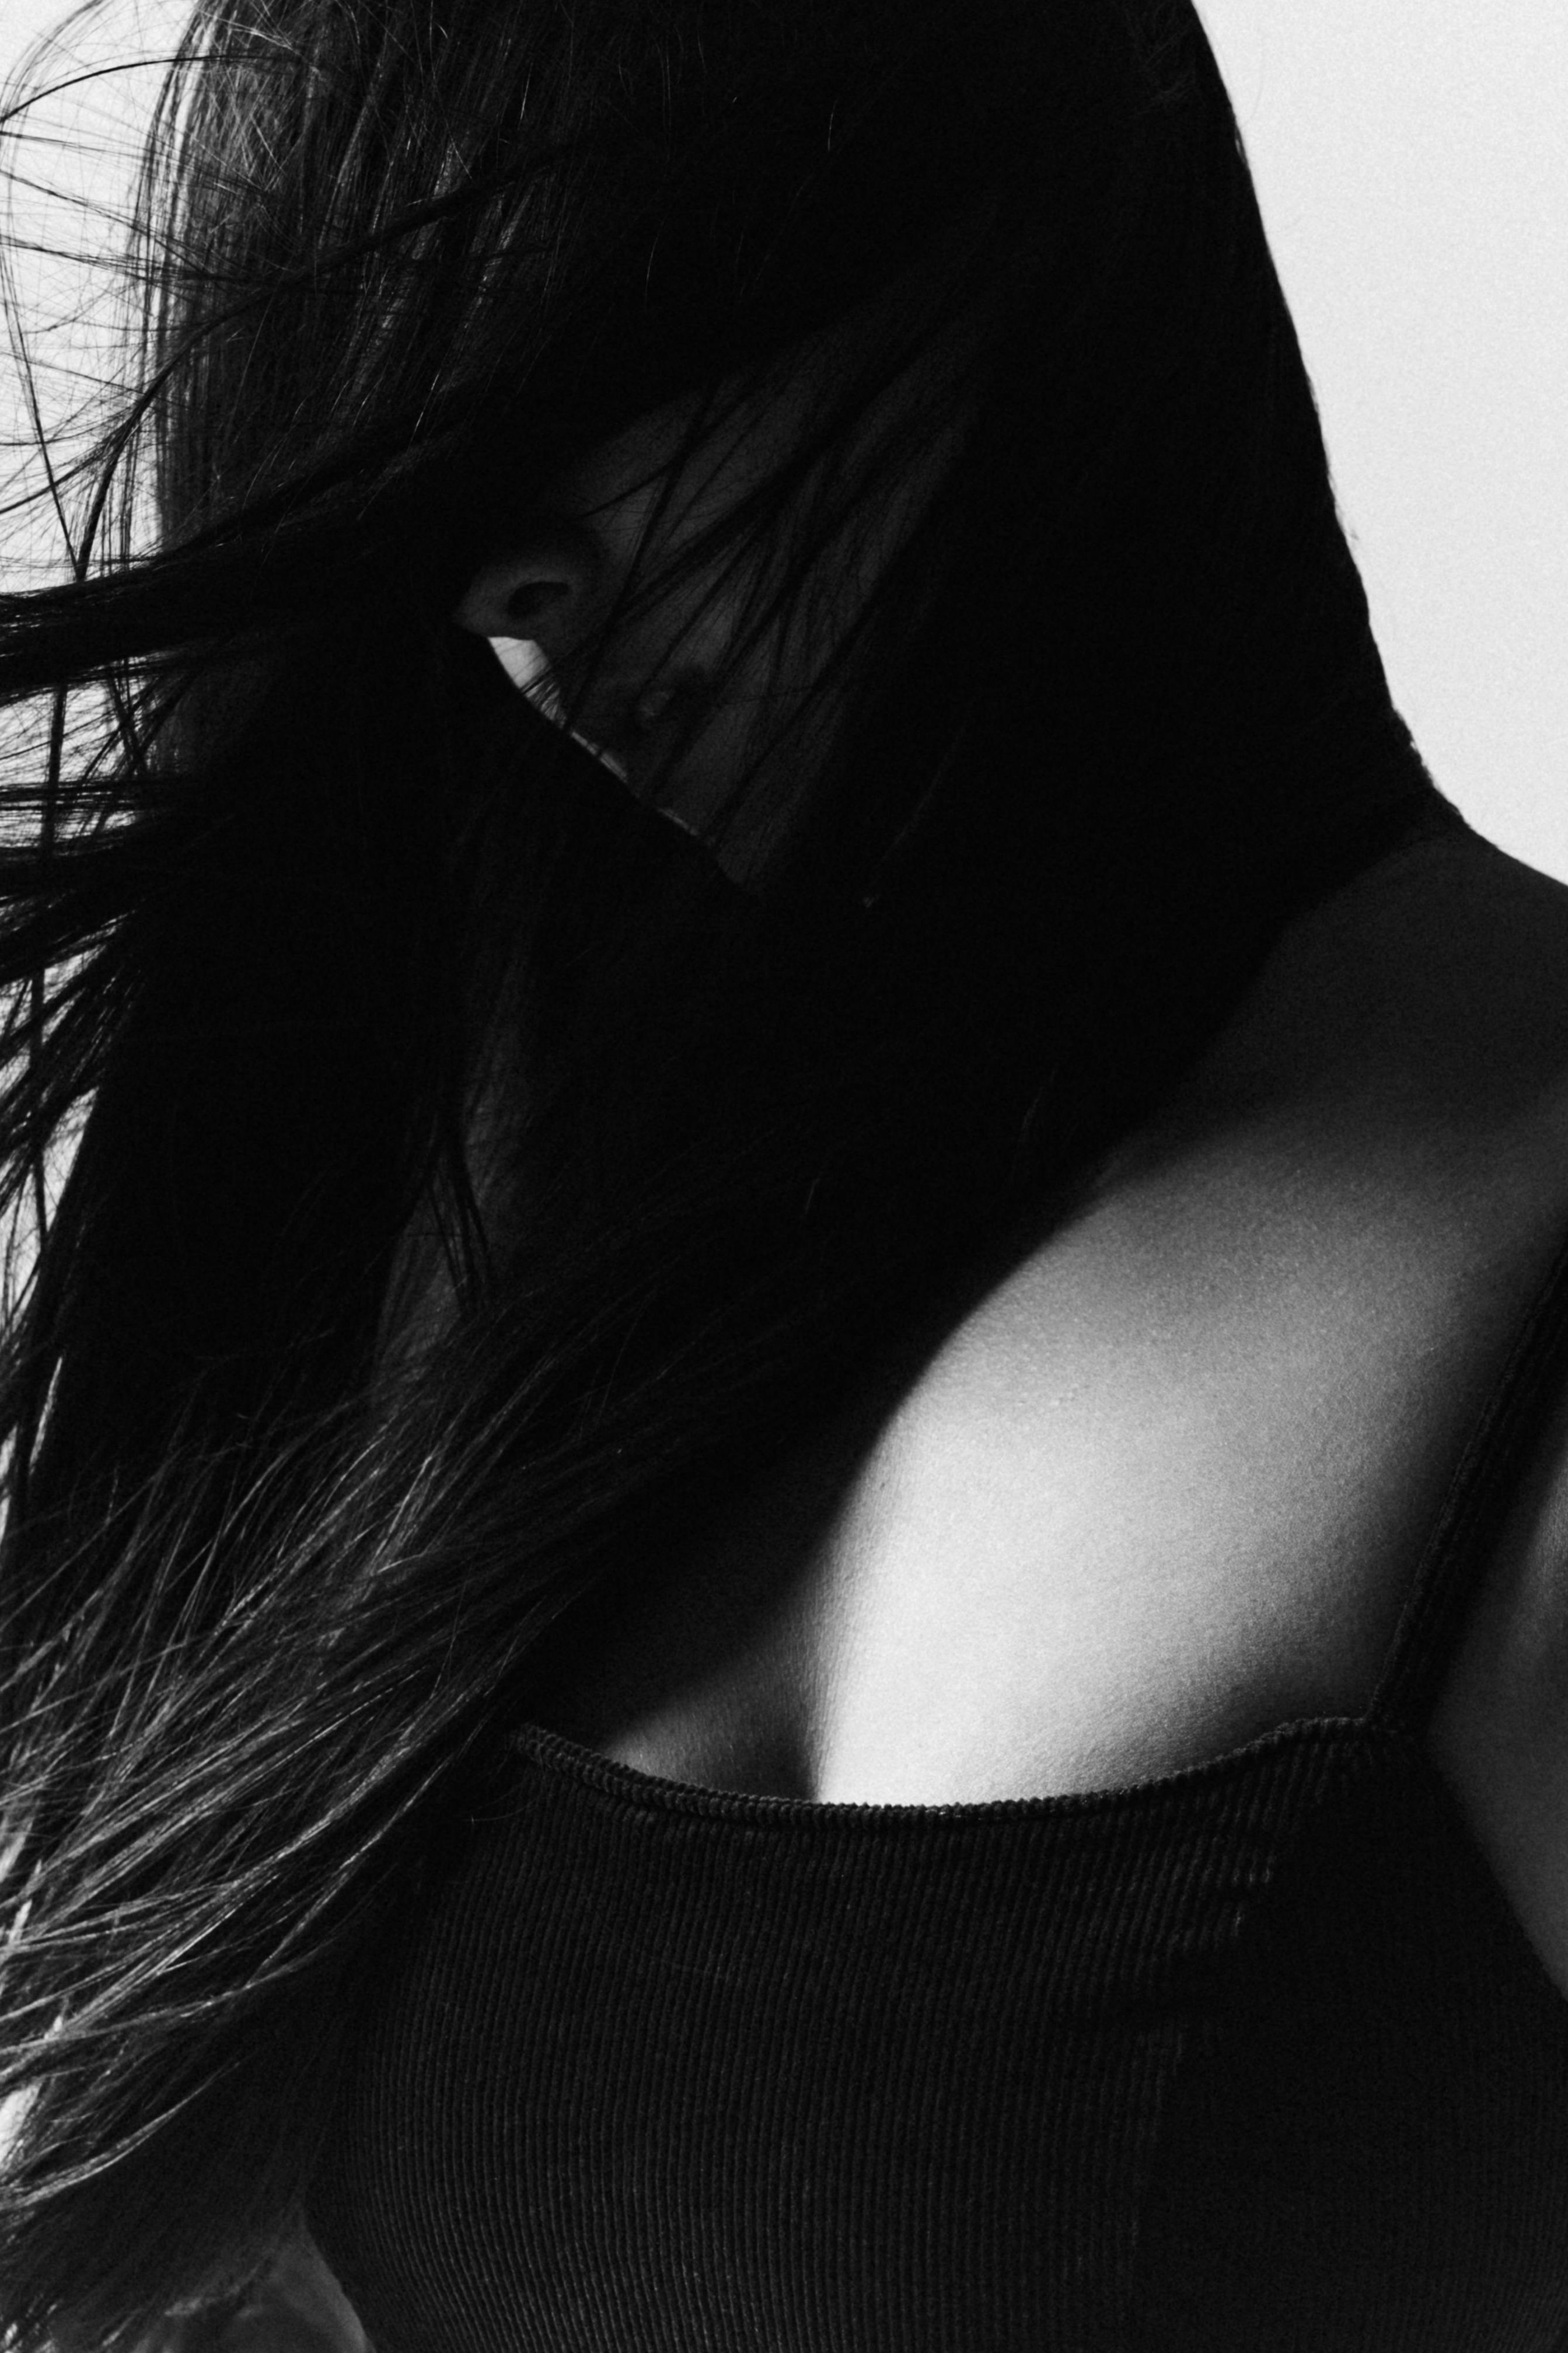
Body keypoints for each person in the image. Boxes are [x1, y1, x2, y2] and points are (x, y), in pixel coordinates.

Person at [2, 0, 1567, 2344]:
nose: (506, 583)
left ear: (1003, 201)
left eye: (592, 343)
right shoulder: (544, 1277)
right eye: (438, 450)